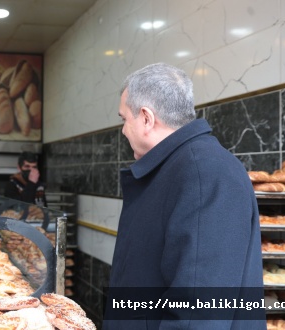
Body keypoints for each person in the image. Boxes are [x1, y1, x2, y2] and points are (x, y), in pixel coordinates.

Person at [103, 63, 265, 329]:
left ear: (146, 118)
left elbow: (198, 312)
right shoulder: (178, 166)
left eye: (124, 119)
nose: (123, 130)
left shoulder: (205, 172)